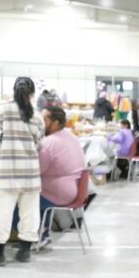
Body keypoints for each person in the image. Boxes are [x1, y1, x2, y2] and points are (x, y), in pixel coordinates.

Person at [0, 77, 45, 266]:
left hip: (8, 171)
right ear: (32, 93)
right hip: (30, 173)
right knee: (30, 213)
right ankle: (25, 252)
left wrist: (4, 137)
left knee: (2, 213)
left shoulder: (2, 109)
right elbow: (40, 143)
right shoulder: (37, 115)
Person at [34, 106, 85, 249]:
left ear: (55, 123)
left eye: (44, 120)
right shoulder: (72, 137)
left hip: (59, 193)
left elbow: (37, 170)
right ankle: (42, 233)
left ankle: (33, 236)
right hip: (75, 189)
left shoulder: (49, 143)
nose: (40, 123)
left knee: (20, 199)